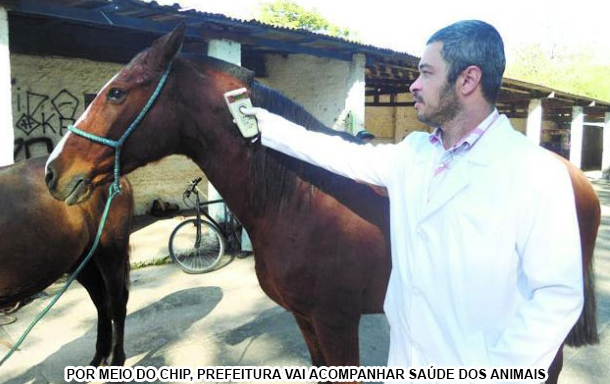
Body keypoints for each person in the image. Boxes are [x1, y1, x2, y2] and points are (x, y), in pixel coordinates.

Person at [241, 20, 583, 375]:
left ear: (468, 80)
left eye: (426, 73)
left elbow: (557, 296)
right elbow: (335, 153)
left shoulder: (536, 173)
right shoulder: (413, 153)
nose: (414, 85)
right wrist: (263, 122)